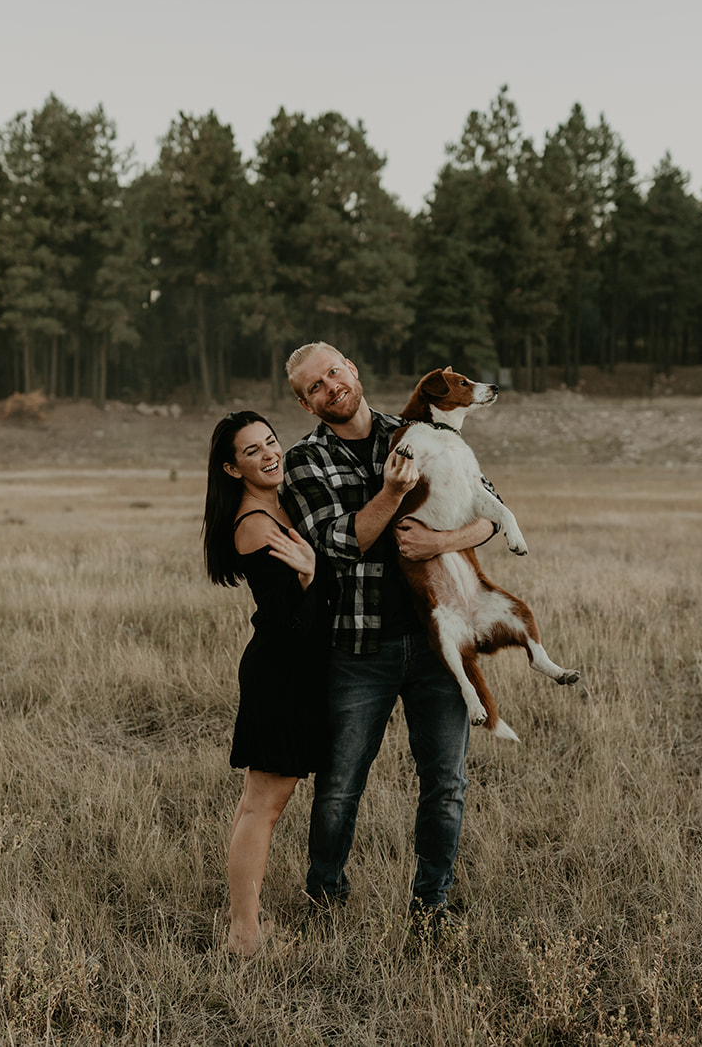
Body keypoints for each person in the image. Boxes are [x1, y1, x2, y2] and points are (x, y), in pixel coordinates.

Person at [279, 342, 497, 933]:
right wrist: (395, 494)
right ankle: (326, 902)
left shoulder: (420, 429)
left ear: (352, 366)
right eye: (314, 386)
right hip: (358, 648)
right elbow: (341, 545)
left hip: (438, 646)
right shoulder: (304, 462)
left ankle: (431, 909)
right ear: (305, 403)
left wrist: (441, 543)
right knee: (341, 786)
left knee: (446, 784)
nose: (330, 387)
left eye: (333, 372)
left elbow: (491, 509)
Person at [203, 410, 330, 956]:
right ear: (233, 468)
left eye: (271, 441)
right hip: (280, 673)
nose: (269, 453)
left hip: (292, 670)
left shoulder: (277, 504)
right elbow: (286, 619)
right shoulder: (255, 523)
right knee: (264, 807)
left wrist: (310, 568)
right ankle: (245, 935)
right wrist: (311, 572)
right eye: (252, 451)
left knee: (257, 803)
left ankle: (244, 922)